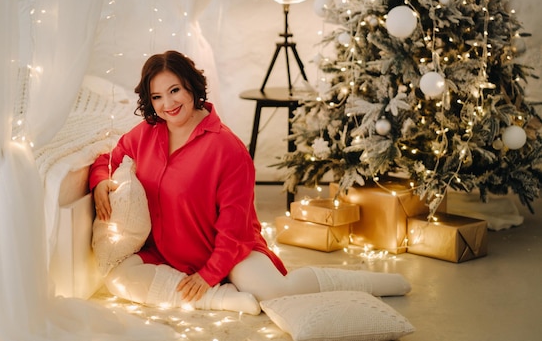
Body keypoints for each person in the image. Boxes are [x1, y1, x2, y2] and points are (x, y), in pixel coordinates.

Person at [90, 50, 410, 316]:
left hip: (230, 252)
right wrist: (101, 182)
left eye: (174, 90)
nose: (167, 104)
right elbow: (109, 159)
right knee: (118, 279)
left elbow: (234, 228)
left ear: (191, 87)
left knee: (274, 293)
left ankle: (375, 283)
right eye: (156, 96)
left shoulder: (227, 148)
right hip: (167, 255)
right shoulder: (146, 134)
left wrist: (209, 274)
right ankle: (220, 299)